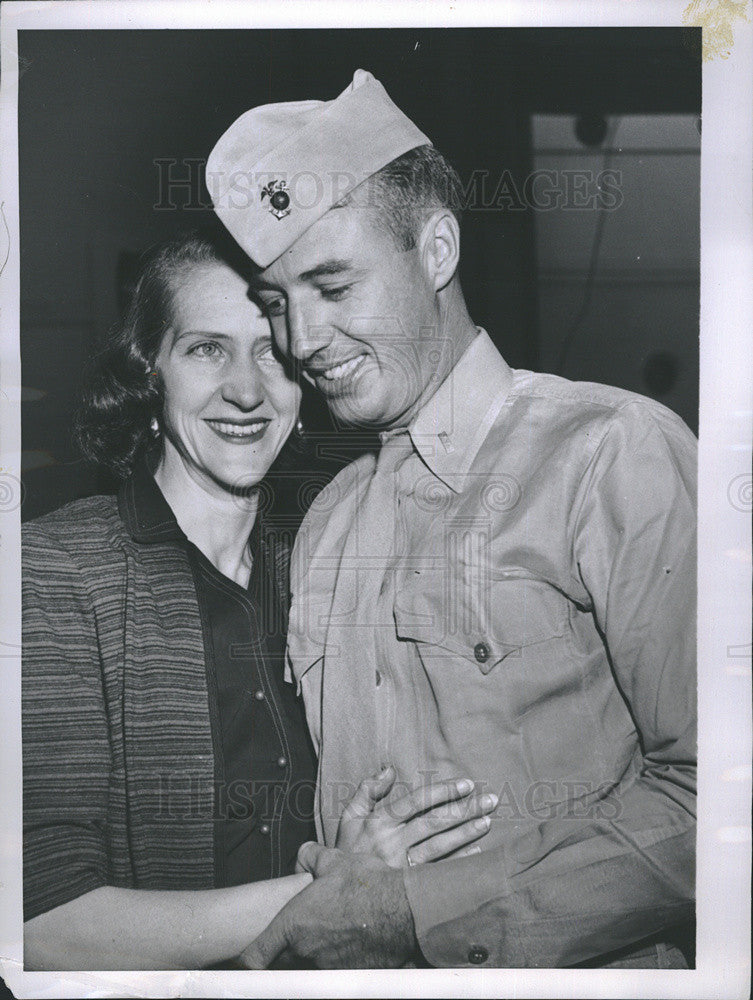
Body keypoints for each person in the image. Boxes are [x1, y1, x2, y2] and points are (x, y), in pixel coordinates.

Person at [207, 69, 697, 969]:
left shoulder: (610, 452)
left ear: (436, 251)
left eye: (331, 284)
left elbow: (716, 800)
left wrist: (412, 913)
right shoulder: (324, 520)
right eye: (276, 302)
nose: (299, 341)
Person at [21, 231, 499, 971]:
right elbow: (42, 925)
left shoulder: (328, 568)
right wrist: (336, 896)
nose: (246, 389)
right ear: (151, 373)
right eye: (207, 349)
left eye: (271, 352)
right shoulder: (53, 570)